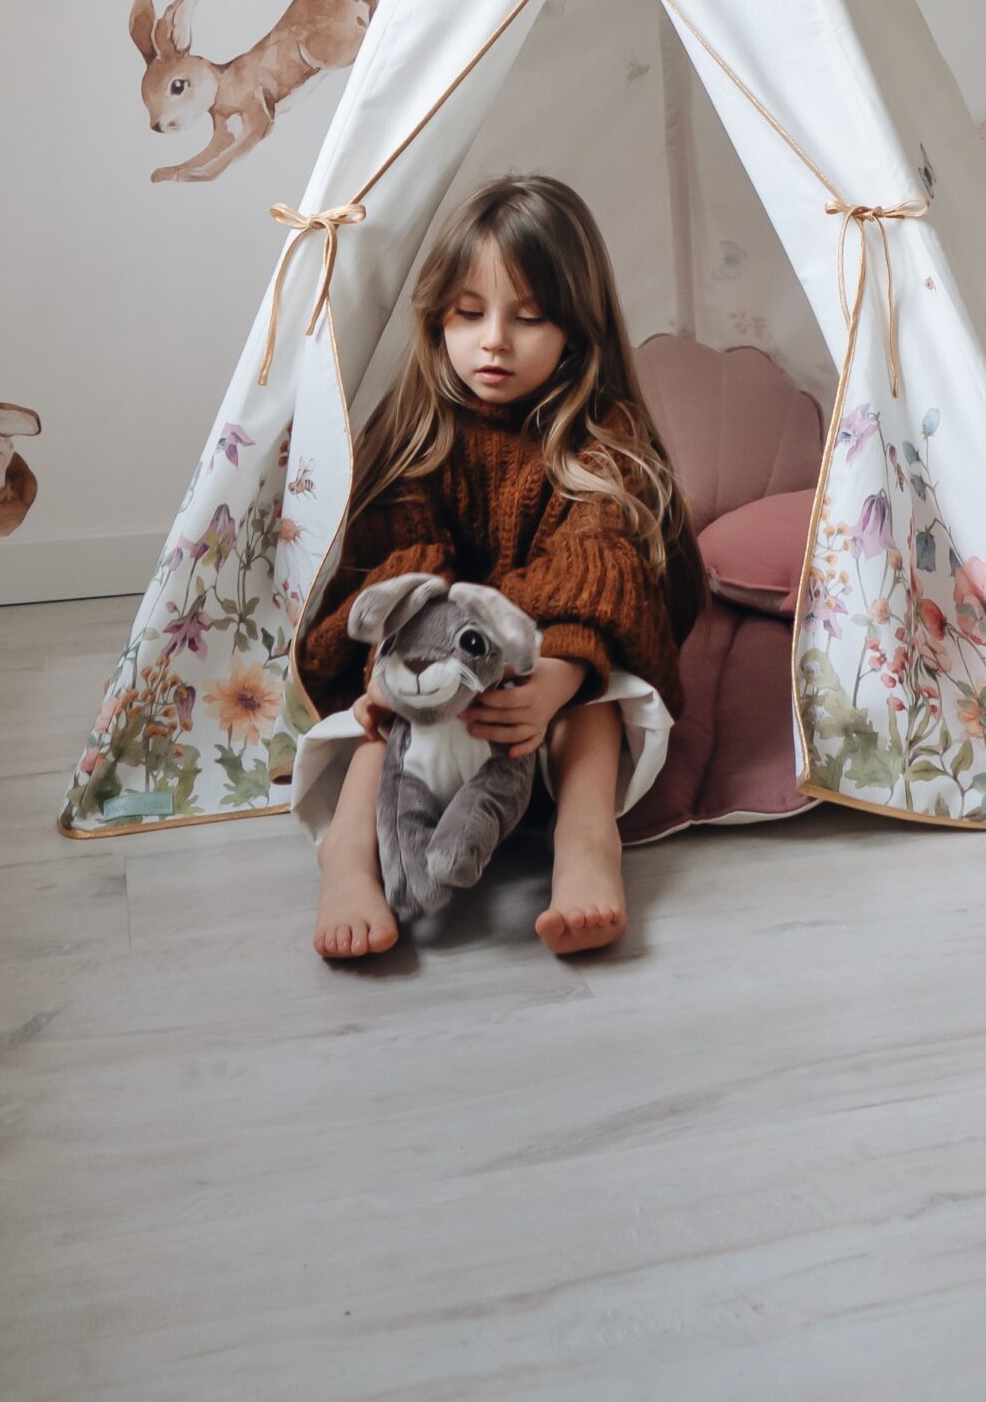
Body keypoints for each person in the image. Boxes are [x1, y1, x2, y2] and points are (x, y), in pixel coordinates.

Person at [293, 174, 705, 960]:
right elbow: (392, 568)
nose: (493, 342)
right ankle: (349, 858)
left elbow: (604, 565)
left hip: (537, 697)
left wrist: (555, 676)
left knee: (601, 700)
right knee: (381, 710)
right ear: (439, 317)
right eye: (469, 314)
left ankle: (586, 847)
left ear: (576, 332)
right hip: (435, 697)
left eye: (528, 317)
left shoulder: (600, 431)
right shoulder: (418, 426)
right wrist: (405, 665)